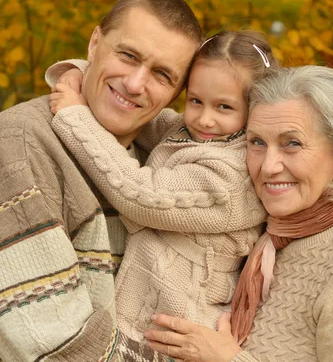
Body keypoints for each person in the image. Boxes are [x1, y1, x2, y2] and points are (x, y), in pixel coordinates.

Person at [141, 65, 333, 361]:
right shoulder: (273, 227)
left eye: (291, 144)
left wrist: (228, 359)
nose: (269, 166)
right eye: (257, 142)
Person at [0, 0, 201, 361]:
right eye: (128, 56)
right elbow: (59, 344)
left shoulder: (165, 165)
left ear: (177, 92)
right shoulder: (20, 144)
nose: (136, 83)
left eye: (162, 74)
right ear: (95, 43)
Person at [43, 31, 275, 341]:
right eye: (195, 100)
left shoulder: (233, 177)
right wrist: (80, 72)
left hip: (181, 327)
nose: (205, 119)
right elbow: (134, 109)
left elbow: (138, 193)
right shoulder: (189, 132)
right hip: (143, 313)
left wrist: (74, 115)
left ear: (255, 108)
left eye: (224, 107)